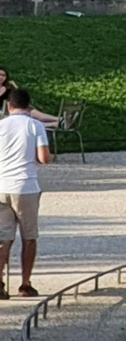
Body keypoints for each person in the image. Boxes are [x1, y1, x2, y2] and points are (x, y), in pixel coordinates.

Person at [0, 88, 51, 298]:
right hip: (26, 186)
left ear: (8, 105)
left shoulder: (1, 125)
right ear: (28, 106)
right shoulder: (35, 125)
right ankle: (25, 283)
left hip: (1, 185)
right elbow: (43, 158)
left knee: (3, 237)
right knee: (29, 237)